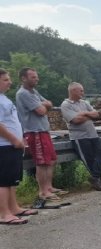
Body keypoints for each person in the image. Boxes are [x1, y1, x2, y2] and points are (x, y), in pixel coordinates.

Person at [16, 67, 65, 201]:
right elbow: (41, 111)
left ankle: (49, 187)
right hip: (34, 131)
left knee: (52, 160)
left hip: (43, 130)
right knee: (42, 162)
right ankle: (43, 192)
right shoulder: (23, 94)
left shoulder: (34, 92)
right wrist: (44, 105)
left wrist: (44, 104)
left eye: (36, 76)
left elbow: (48, 103)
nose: (36, 79)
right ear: (23, 78)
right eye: (33, 77)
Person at [61, 82, 101, 191]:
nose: (83, 92)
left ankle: (95, 178)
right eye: (81, 90)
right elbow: (75, 120)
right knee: (89, 159)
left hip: (92, 134)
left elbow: (97, 114)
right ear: (73, 91)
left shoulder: (84, 103)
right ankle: (100, 179)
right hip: (79, 137)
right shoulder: (66, 105)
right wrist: (89, 115)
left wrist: (84, 114)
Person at [0, 68, 37, 225]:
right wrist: (14, 140)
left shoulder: (4, 99)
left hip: (13, 144)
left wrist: (20, 138)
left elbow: (12, 122)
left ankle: (14, 208)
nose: (10, 82)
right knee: (3, 181)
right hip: (4, 145)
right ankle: (4, 214)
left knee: (12, 180)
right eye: (6, 79)